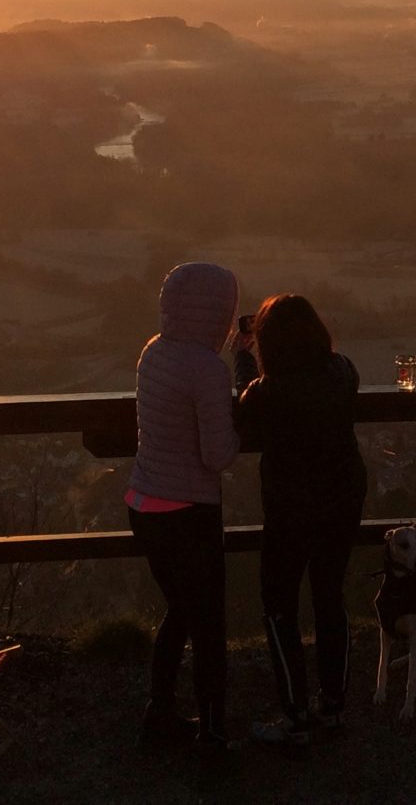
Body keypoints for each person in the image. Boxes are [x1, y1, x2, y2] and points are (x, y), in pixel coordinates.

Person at [233, 294, 368, 749]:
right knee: (330, 597)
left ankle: (296, 716)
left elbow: (246, 409)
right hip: (345, 498)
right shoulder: (343, 370)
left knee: (278, 605)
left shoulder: (269, 391)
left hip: (292, 509)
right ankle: (333, 707)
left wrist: (241, 359)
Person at [123, 262, 241, 756]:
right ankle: (212, 735)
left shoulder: (153, 351)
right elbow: (218, 456)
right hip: (189, 512)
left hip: (143, 504)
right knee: (208, 623)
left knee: (181, 609)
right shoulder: (208, 370)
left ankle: (160, 711)